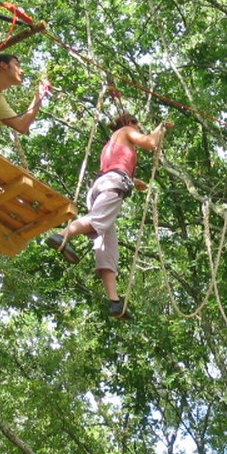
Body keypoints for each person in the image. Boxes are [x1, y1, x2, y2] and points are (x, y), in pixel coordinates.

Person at [46, 112, 173, 319]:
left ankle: (114, 301)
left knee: (107, 247)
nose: (138, 129)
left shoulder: (111, 145)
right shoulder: (127, 130)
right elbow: (150, 143)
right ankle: (62, 235)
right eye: (137, 125)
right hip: (112, 185)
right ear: (130, 123)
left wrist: (134, 181)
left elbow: (115, 167)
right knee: (97, 222)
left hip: (103, 185)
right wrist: (161, 128)